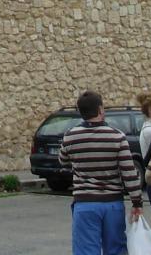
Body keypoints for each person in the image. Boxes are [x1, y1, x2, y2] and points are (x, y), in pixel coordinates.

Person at [59, 90, 142, 255]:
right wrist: (137, 202)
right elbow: (128, 173)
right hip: (112, 203)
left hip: (84, 202)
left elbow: (63, 161)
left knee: (86, 251)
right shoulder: (117, 137)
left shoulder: (70, 137)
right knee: (116, 250)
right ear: (100, 110)